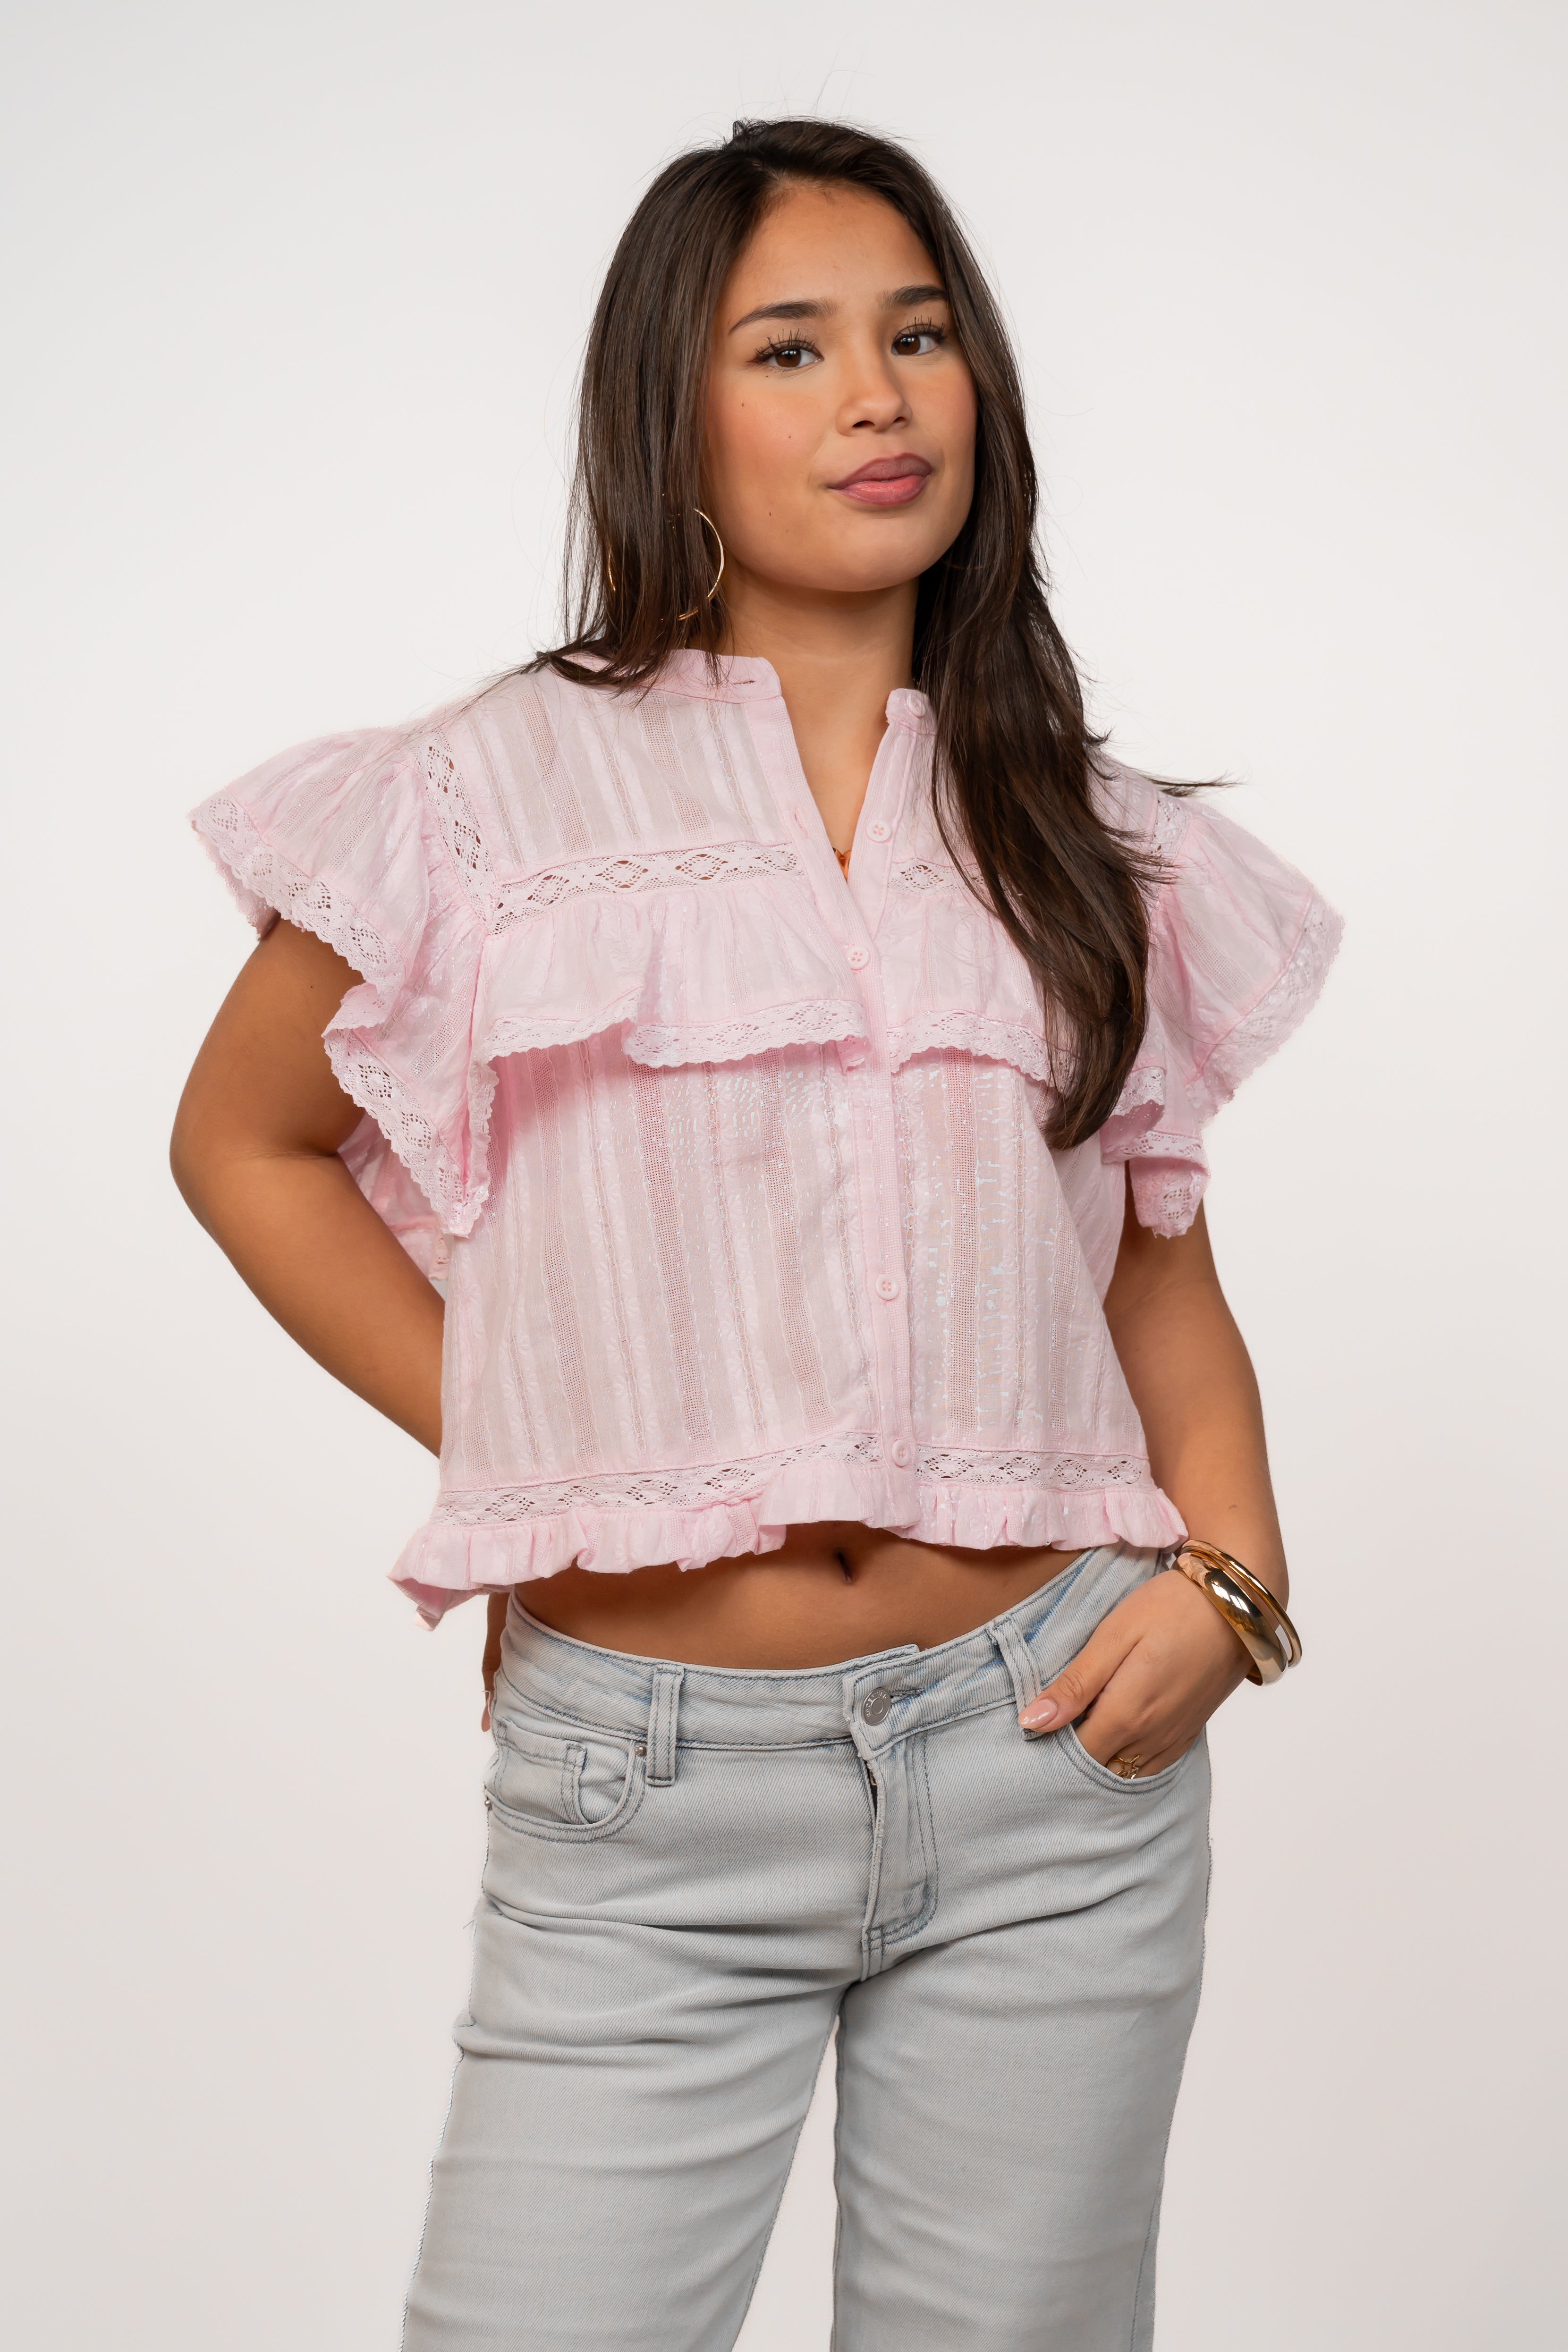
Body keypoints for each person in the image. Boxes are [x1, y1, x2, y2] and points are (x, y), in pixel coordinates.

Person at [172, 117, 1338, 2352]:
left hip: (1057, 1758)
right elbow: (245, 1143)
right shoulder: (481, 800)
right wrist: (546, 1452)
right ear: (674, 415)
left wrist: (1234, 1578)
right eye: (791, 347)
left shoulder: (1082, 835)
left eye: (920, 335)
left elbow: (1152, 1259)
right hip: (650, 1782)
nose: (878, 395)